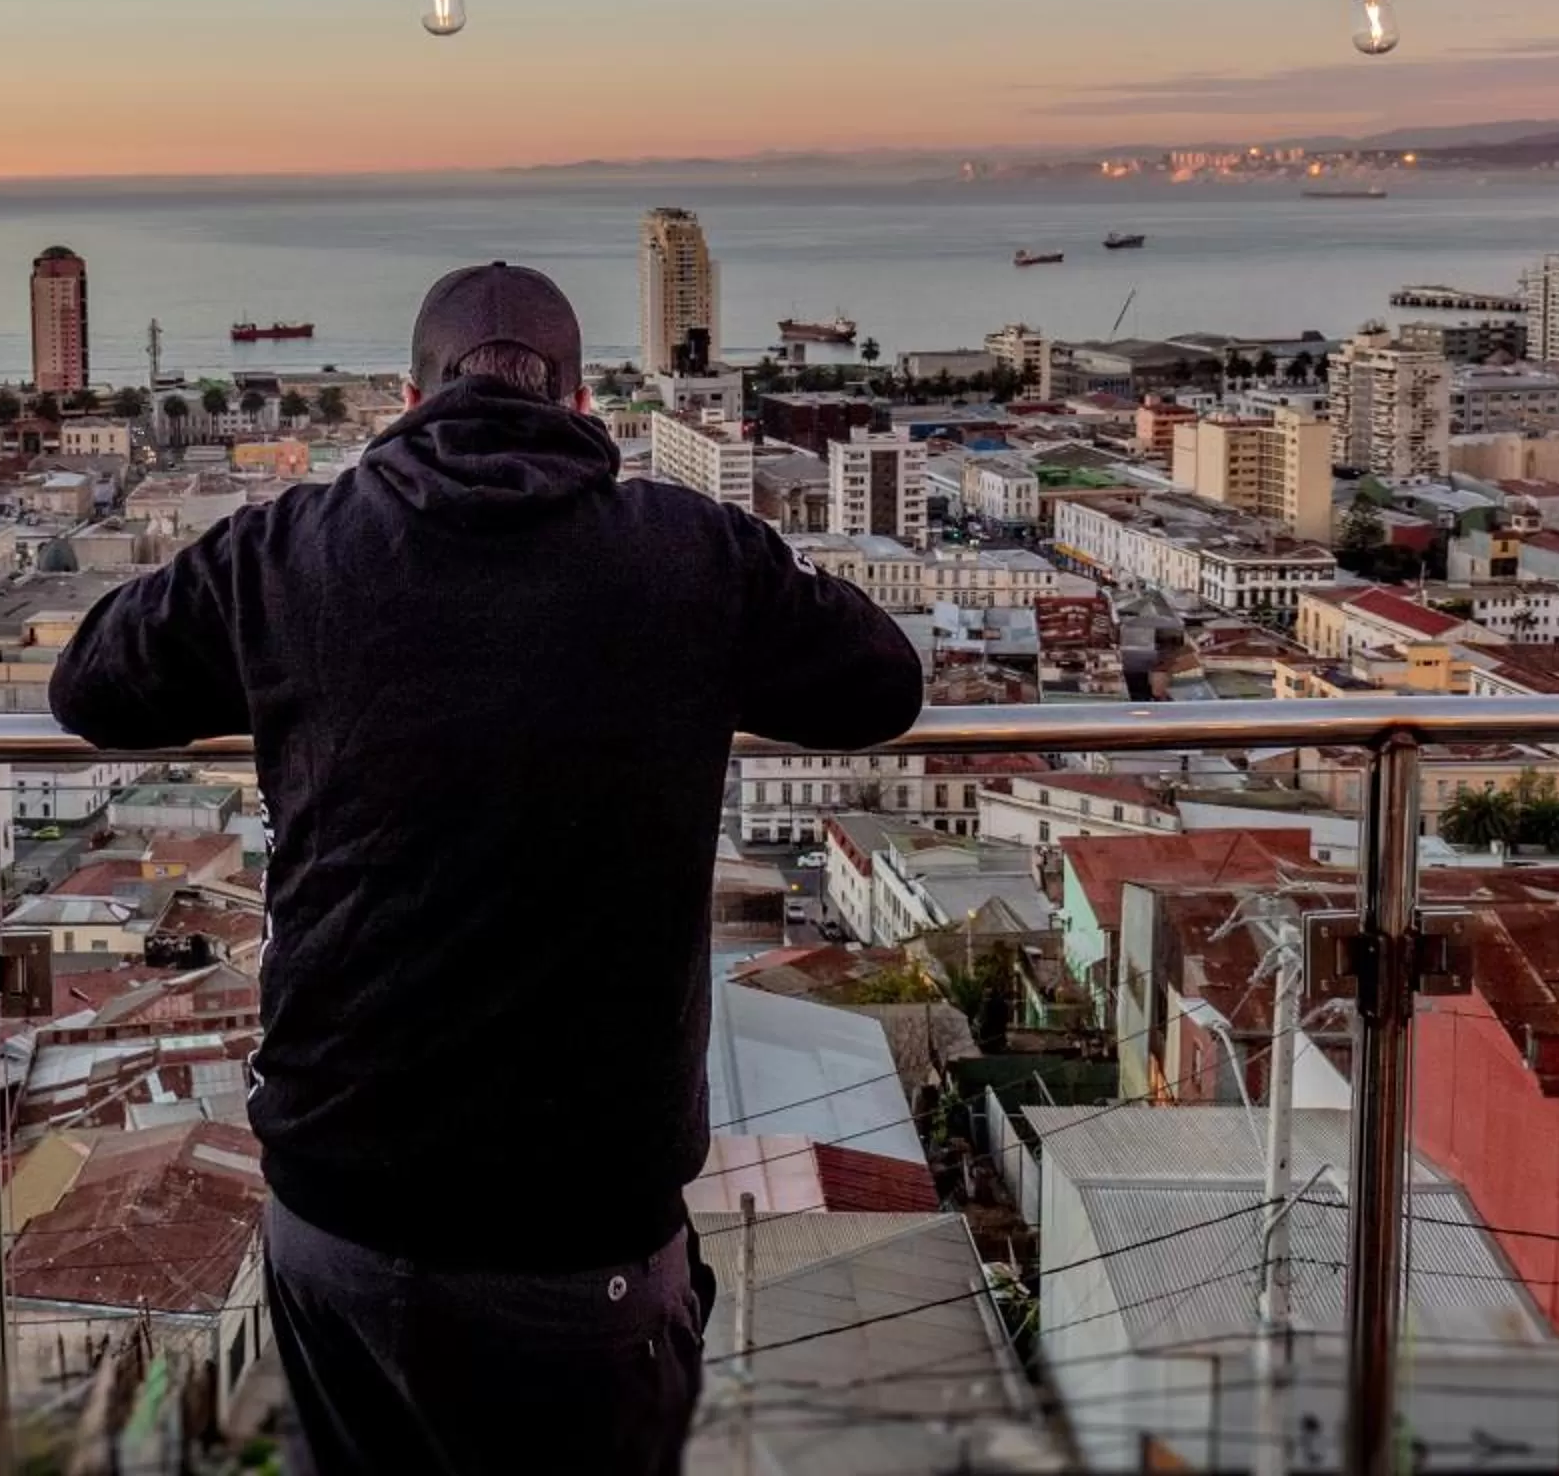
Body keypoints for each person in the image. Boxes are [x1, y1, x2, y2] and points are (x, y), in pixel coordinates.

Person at [51, 260, 924, 1474]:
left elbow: (90, 683)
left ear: (408, 398)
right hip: (586, 1230)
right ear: (579, 402)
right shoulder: (686, 556)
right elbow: (885, 684)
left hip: (344, 1197)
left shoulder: (289, 551)